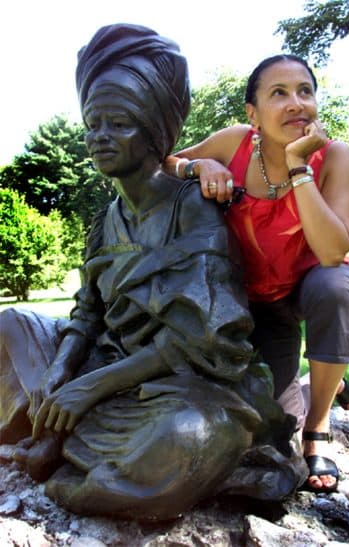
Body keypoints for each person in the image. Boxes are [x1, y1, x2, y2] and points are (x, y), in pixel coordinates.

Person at [0, 26, 307, 521]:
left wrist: (90, 388)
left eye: (117, 124)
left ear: (153, 132)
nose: (99, 138)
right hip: (104, 361)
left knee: (189, 436)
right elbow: (87, 315)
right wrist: (61, 372)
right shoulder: (105, 219)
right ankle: (55, 428)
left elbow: (201, 338)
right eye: (92, 124)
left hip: (179, 381)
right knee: (9, 326)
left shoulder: (194, 207)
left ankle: (63, 462)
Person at [163, 54, 349, 493]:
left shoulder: (335, 158)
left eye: (305, 91)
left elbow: (332, 251)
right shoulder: (233, 142)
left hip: (303, 291)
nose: (296, 103)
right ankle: (320, 385)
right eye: (279, 93)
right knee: (266, 410)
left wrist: (298, 167)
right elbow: (164, 163)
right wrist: (199, 166)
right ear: (252, 114)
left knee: (338, 284)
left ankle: (319, 426)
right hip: (244, 305)